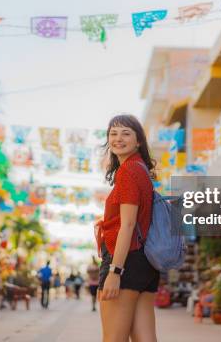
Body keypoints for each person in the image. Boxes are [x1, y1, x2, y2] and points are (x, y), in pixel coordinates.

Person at [96, 114, 159, 342]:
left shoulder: (129, 171)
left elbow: (128, 225)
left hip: (125, 261)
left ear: (139, 141)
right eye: (113, 133)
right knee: (146, 339)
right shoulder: (141, 169)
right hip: (145, 263)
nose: (118, 139)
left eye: (126, 133)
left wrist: (115, 271)